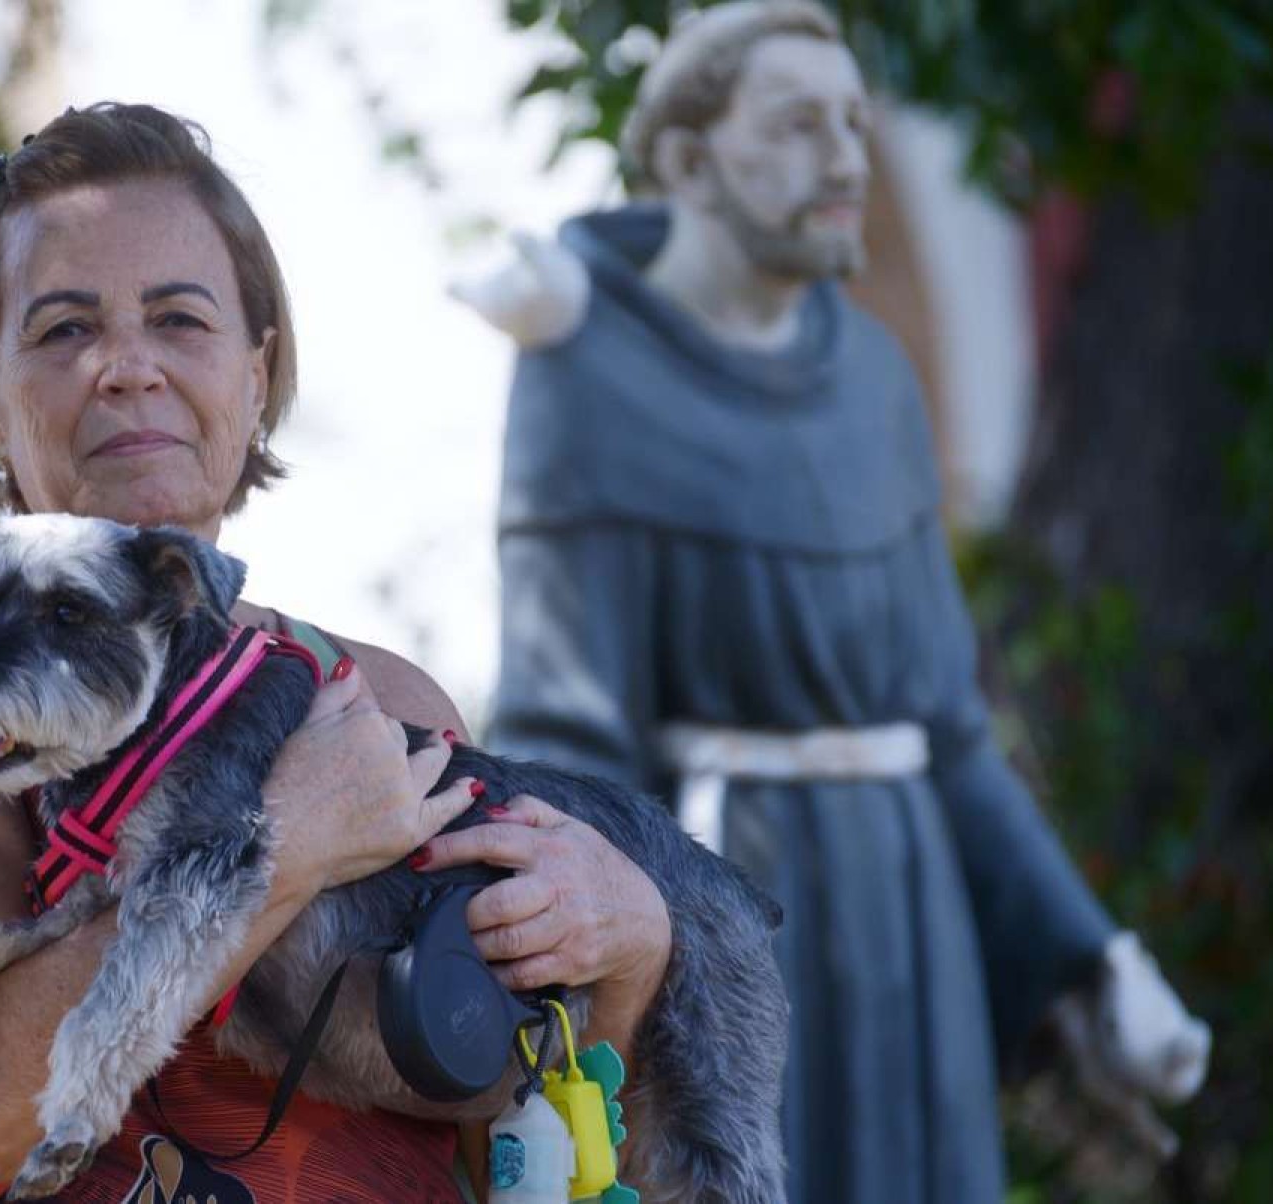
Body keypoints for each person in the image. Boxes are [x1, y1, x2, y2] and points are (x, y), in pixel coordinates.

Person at [0, 102, 689, 1204]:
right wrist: (289, 843)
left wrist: (625, 949)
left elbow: (502, 1141)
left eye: (180, 320)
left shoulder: (383, 698)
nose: (127, 368)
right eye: (64, 329)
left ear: (254, 373)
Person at [467, 4, 1211, 1203]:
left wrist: (1089, 954)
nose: (849, 160)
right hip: (731, 915)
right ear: (691, 159)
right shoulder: (587, 368)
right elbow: (569, 741)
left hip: (909, 920)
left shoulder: (872, 375)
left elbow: (950, 728)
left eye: (855, 123)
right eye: (800, 124)